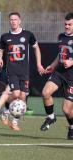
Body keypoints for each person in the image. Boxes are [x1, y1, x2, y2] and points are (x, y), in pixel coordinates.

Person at [0, 12, 44, 131]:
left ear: (20, 21)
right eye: (11, 19)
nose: (13, 21)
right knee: (16, 94)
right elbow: (0, 50)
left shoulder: (28, 35)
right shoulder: (5, 37)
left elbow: (36, 48)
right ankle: (7, 114)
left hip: (24, 72)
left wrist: (39, 64)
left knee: (22, 98)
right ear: (9, 21)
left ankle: (12, 120)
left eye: (15, 19)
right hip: (12, 71)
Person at [40, 12, 73, 140]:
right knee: (45, 93)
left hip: (72, 77)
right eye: (65, 24)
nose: (67, 26)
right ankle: (51, 117)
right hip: (59, 73)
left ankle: (71, 127)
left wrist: (71, 62)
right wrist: (53, 65)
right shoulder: (61, 36)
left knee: (66, 110)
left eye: (70, 24)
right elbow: (60, 55)